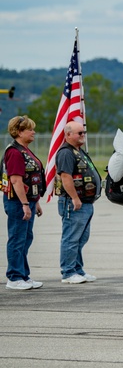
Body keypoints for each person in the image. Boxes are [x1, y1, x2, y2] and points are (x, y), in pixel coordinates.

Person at [55, 120, 100, 284]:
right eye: (79, 133)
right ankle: (68, 272)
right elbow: (65, 177)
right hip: (73, 203)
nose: (83, 135)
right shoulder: (66, 152)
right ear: (68, 135)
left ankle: (77, 269)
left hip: (85, 202)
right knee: (71, 238)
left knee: (81, 238)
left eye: (84, 133)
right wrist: (75, 198)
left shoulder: (78, 151)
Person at [3, 115, 45, 291]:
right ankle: (14, 277)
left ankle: (24, 275)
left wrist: (35, 202)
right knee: (17, 239)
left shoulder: (25, 150)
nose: (33, 132)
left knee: (26, 239)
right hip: (17, 203)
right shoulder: (14, 152)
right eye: (30, 129)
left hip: (27, 201)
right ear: (19, 132)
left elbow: (31, 179)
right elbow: (16, 181)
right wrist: (25, 205)